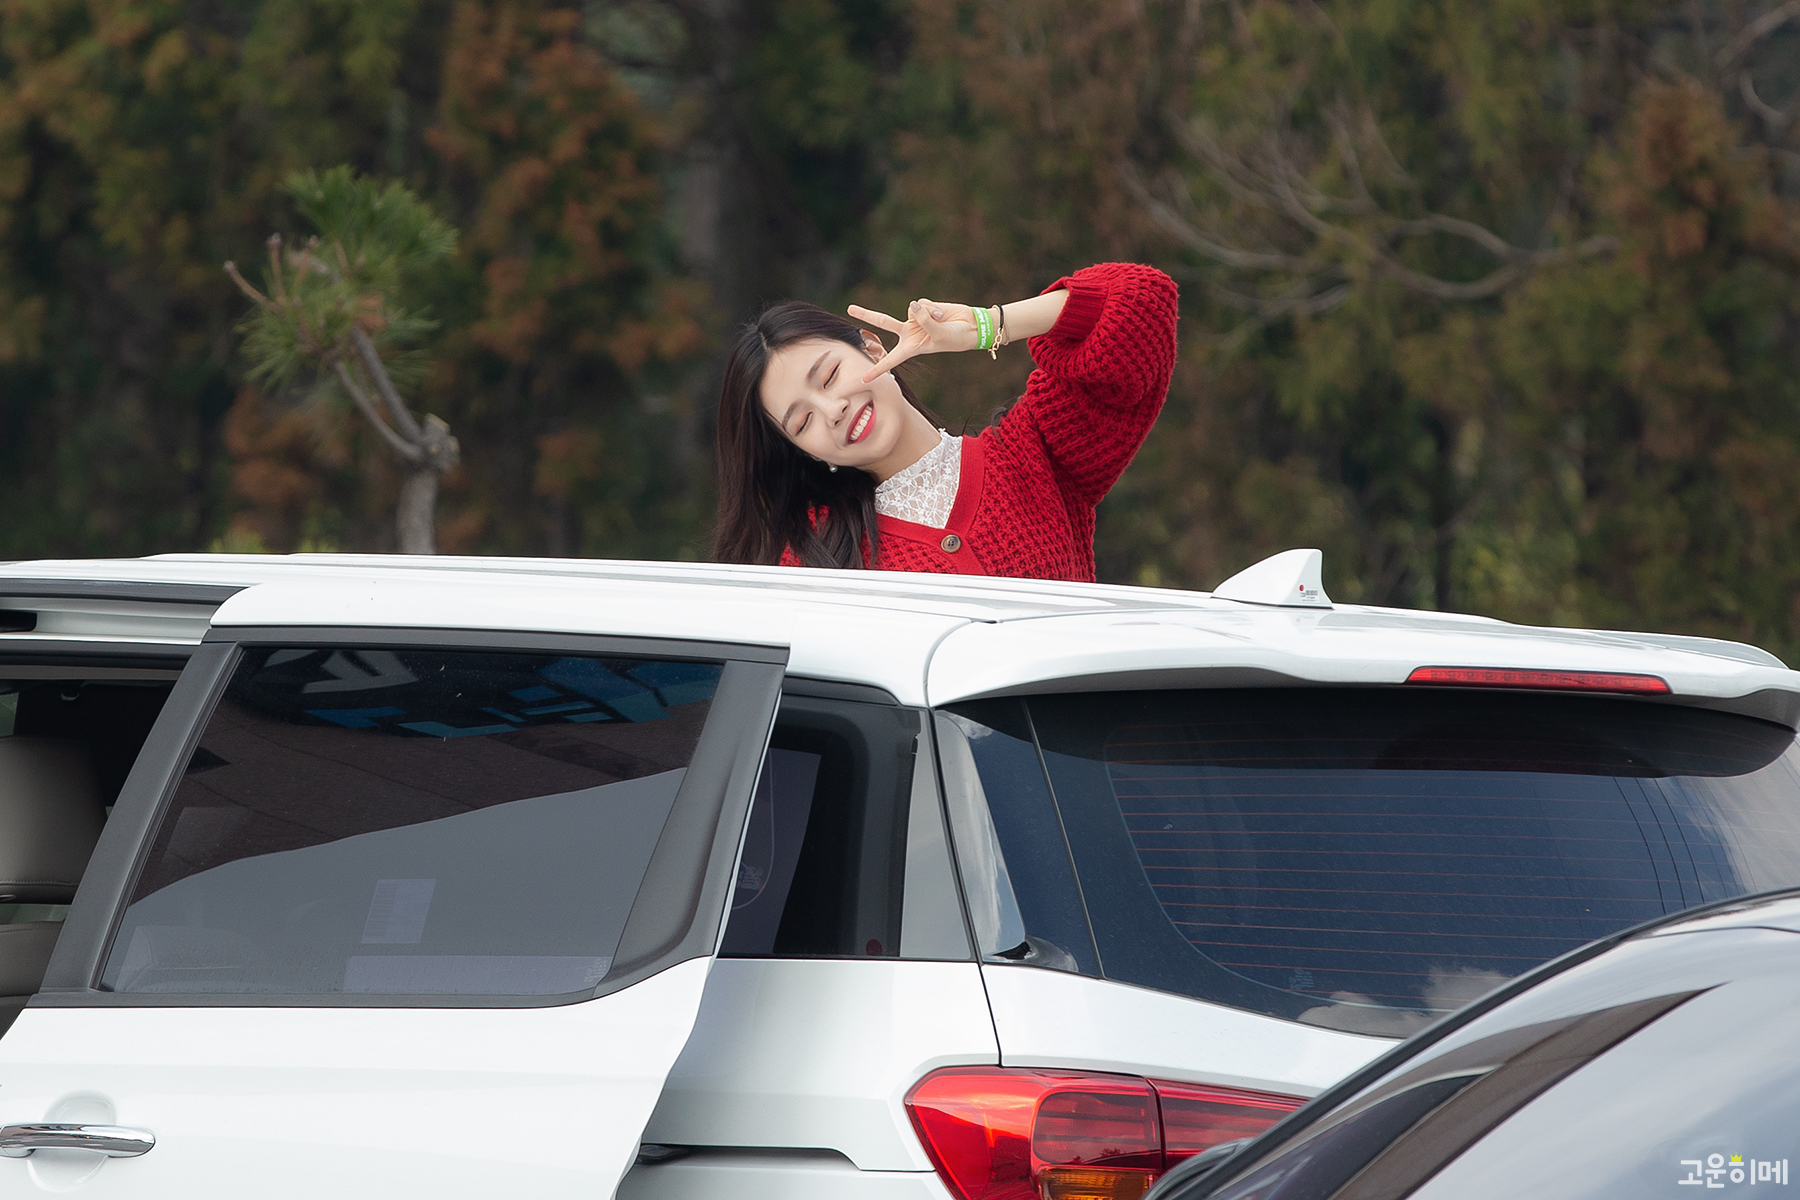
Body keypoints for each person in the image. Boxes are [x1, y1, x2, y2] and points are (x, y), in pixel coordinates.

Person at [712, 263, 1177, 580]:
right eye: (802, 422)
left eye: (830, 376)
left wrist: (987, 326)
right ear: (803, 451)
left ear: (872, 347)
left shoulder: (1033, 453)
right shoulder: (814, 562)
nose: (833, 410)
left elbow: (1144, 300)